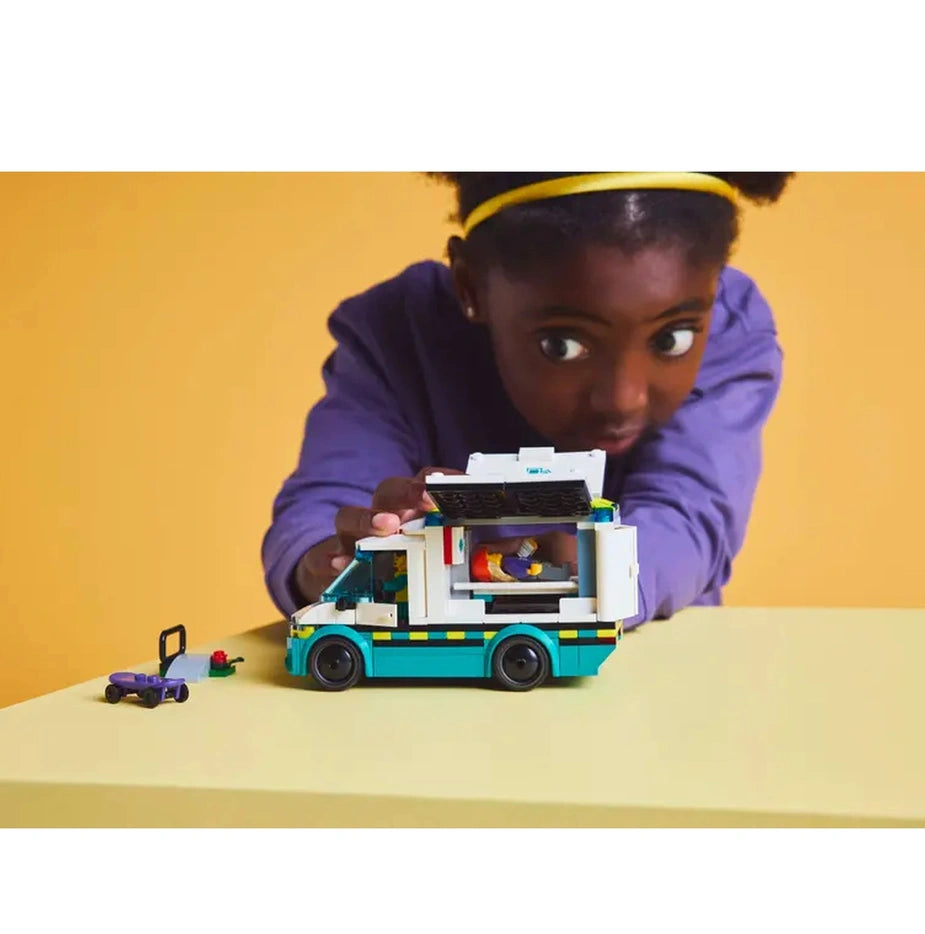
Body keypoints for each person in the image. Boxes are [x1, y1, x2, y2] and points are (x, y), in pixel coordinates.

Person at [262, 171, 793, 628]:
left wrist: (591, 576)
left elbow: (688, 519)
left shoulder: (731, 324)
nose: (623, 400)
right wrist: (332, 564)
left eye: (672, 339)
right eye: (562, 345)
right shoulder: (399, 332)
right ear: (470, 288)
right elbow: (321, 512)